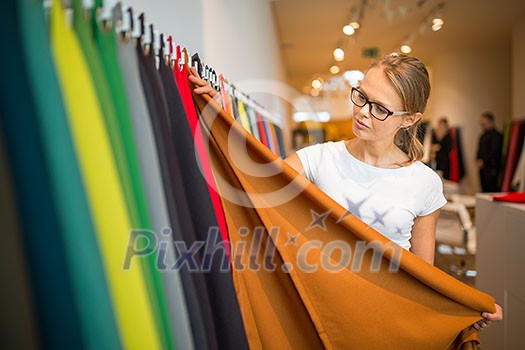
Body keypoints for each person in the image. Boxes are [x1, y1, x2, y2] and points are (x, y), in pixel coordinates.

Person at [189, 53, 502, 332]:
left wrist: (460, 310)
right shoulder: (318, 158)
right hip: (322, 314)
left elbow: (424, 275)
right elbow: (255, 182)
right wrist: (224, 119)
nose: (363, 112)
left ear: (409, 120)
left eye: (379, 108)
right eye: (361, 96)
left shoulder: (424, 183)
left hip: (387, 320)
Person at [476, 112, 503, 192]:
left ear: (491, 122)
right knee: (483, 189)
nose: (482, 126)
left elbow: (494, 152)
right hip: (483, 168)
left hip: (491, 168)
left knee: (491, 190)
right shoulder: (483, 135)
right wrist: (477, 159)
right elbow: (479, 149)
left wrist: (484, 161)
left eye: (484, 123)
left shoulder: (497, 136)